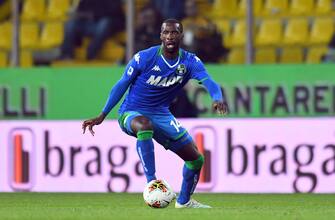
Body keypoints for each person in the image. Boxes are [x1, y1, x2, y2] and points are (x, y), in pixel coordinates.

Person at [82, 19, 228, 208]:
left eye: (174, 33)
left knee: (196, 159)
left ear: (181, 36)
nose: (170, 36)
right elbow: (121, 84)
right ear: (160, 35)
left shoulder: (190, 62)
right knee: (144, 125)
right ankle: (152, 183)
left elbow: (209, 82)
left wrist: (217, 98)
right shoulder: (144, 57)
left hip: (161, 114)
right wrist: (102, 115)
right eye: (166, 32)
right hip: (131, 112)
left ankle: (184, 201)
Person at [59, 0, 124, 60]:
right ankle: (67, 55)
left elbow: (115, 13)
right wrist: (81, 15)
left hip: (104, 24)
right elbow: (81, 10)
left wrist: (95, 14)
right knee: (71, 24)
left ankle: (91, 53)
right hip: (88, 23)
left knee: (104, 24)